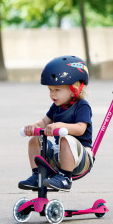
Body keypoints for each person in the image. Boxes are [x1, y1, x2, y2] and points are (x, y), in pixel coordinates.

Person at [18, 55, 93, 192]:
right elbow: (44, 122)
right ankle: (37, 175)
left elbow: (80, 129)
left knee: (65, 139)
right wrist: (33, 126)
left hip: (81, 158)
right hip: (60, 155)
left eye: (57, 90)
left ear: (74, 88)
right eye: (50, 90)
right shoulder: (56, 107)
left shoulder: (82, 106)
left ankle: (65, 178)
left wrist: (60, 126)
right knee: (34, 139)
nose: (52, 94)